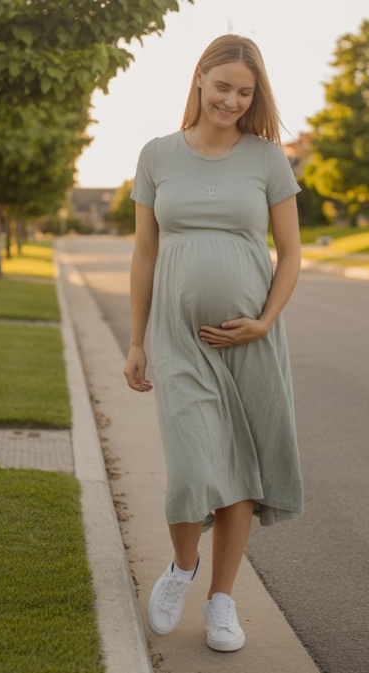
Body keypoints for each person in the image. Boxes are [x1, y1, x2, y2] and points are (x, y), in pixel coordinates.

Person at [124, 34, 304, 653]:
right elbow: (145, 252)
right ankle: (182, 567)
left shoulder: (267, 159)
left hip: (250, 340)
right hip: (176, 340)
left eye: (244, 91)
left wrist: (266, 320)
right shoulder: (156, 155)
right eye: (222, 85)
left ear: (255, 97)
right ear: (199, 81)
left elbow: (291, 255)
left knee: (241, 473)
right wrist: (136, 341)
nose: (231, 99)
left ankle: (222, 601)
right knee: (191, 469)